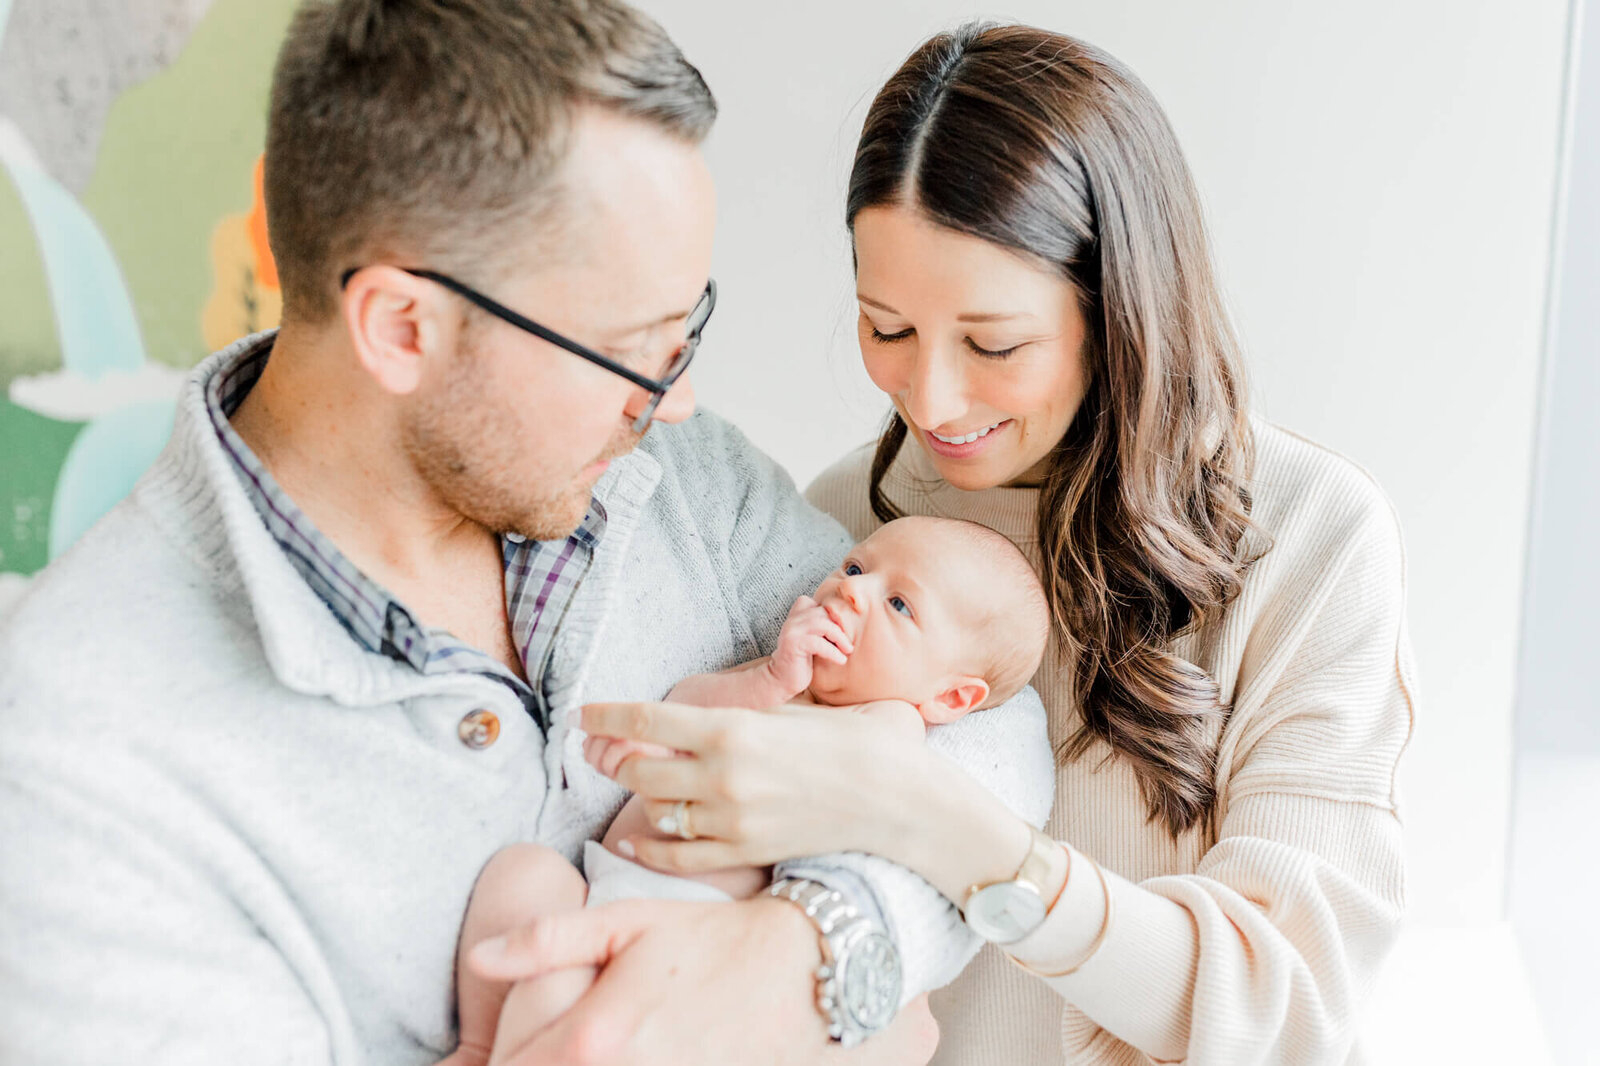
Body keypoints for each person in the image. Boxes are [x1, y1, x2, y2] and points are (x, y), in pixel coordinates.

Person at [0, 4, 1056, 1064]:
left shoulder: (681, 480)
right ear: (402, 327)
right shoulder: (74, 762)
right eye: (632, 348)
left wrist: (818, 948)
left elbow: (987, 717)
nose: (675, 401)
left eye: (685, 329)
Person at [502, 23, 1417, 1065]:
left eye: (994, 343)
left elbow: (1290, 1007)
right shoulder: (851, 520)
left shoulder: (1309, 536)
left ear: (1116, 310)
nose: (931, 398)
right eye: (885, 327)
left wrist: (945, 826)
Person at [451, 515, 1052, 1063]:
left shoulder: (889, 727)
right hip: (599, 885)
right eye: (855, 567)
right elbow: (685, 706)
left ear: (951, 697)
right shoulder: (778, 679)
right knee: (523, 874)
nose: (853, 590)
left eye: (899, 604)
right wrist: (769, 680)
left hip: (701, 947)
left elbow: (873, 803)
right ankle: (480, 1044)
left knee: (555, 990)